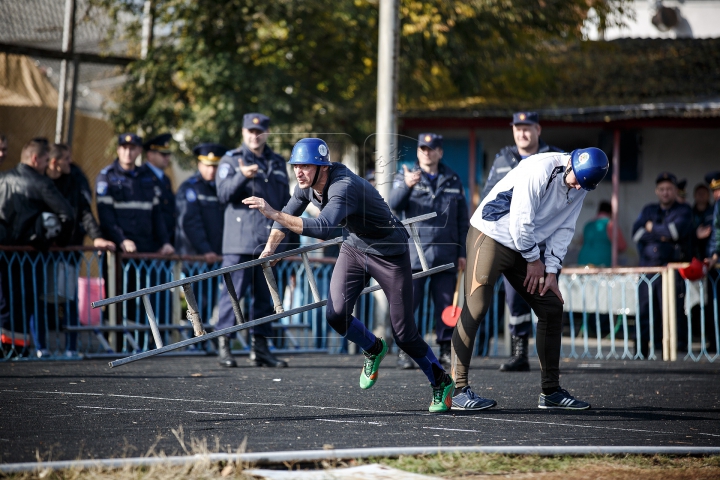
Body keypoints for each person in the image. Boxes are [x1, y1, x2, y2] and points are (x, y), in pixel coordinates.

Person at [243, 138, 458, 412]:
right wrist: (269, 250)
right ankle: (373, 347)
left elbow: (321, 228)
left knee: (404, 334)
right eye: (296, 166)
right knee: (335, 314)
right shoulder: (306, 187)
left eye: (306, 167)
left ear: (323, 167)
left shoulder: (343, 186)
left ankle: (441, 381)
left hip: (389, 253)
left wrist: (271, 211)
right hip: (355, 247)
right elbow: (286, 215)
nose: (299, 172)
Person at [452, 147, 609, 411]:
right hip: (491, 235)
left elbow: (565, 228)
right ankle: (457, 390)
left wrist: (551, 271)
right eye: (575, 180)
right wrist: (535, 261)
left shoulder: (581, 184)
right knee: (476, 306)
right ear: (570, 163)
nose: (576, 187)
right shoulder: (541, 168)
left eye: (583, 186)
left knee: (551, 306)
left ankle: (550, 391)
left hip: (525, 247)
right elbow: (520, 221)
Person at [482, 112, 564, 373]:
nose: (522, 133)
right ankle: (520, 353)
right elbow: (489, 196)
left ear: (538, 130)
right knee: (515, 298)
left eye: (527, 128)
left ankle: (548, 359)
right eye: (517, 128)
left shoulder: (554, 157)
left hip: (544, 241)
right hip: (512, 241)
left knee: (546, 299)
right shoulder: (504, 158)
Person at [215, 113, 290, 368]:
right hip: (238, 242)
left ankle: (260, 348)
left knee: (264, 298)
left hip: (267, 242)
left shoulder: (278, 162)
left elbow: (286, 204)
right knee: (232, 296)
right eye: (250, 131)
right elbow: (223, 194)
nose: (254, 136)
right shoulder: (231, 159)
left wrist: (285, 243)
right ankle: (224, 344)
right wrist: (242, 176)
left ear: (267, 132)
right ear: (243, 132)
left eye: (259, 131)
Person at [389, 133, 468, 369]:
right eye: (422, 148)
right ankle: (406, 351)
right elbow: (394, 203)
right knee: (408, 305)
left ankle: (445, 349)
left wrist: (462, 252)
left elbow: (462, 220)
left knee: (446, 306)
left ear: (440, 152)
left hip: (446, 254)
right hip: (414, 255)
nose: (426, 152)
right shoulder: (405, 175)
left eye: (431, 148)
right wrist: (407, 185)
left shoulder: (453, 179)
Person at [0, 139, 75, 354]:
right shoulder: (40, 182)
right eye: (44, 161)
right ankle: (19, 350)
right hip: (29, 254)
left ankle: (5, 349)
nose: (46, 166)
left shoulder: (2, 178)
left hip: (4, 253)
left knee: (5, 303)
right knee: (25, 303)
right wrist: (57, 241)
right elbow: (67, 214)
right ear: (35, 159)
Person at [632, 172, 693, 357]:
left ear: (675, 191)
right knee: (644, 312)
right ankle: (640, 353)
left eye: (669, 189)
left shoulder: (683, 210)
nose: (665, 193)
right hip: (648, 269)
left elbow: (675, 233)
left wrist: (651, 229)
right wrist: (663, 235)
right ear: (656, 191)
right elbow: (636, 234)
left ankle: (673, 352)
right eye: (662, 189)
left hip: (670, 270)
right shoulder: (649, 209)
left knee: (672, 312)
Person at [175, 143, 226, 320]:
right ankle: (193, 342)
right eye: (207, 165)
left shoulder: (222, 189)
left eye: (215, 165)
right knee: (196, 303)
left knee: (210, 303)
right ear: (199, 164)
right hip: (195, 259)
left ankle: (203, 343)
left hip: (214, 259)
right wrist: (205, 250)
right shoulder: (190, 188)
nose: (211, 170)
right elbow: (189, 222)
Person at [143, 134, 176, 245]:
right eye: (163, 154)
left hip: (167, 239)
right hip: (150, 239)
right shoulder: (142, 175)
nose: (167, 158)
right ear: (150, 155)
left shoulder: (165, 179)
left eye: (168, 154)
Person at [577, 200, 627, 267]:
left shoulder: (588, 225)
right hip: (602, 264)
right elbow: (622, 246)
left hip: (583, 263)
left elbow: (582, 241)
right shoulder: (611, 225)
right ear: (610, 213)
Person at [692, 183, 713, 261]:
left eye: (704, 193)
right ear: (694, 195)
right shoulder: (689, 213)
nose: (701, 195)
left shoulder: (714, 212)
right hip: (694, 254)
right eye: (699, 193)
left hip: (711, 254)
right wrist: (695, 234)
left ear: (708, 195)